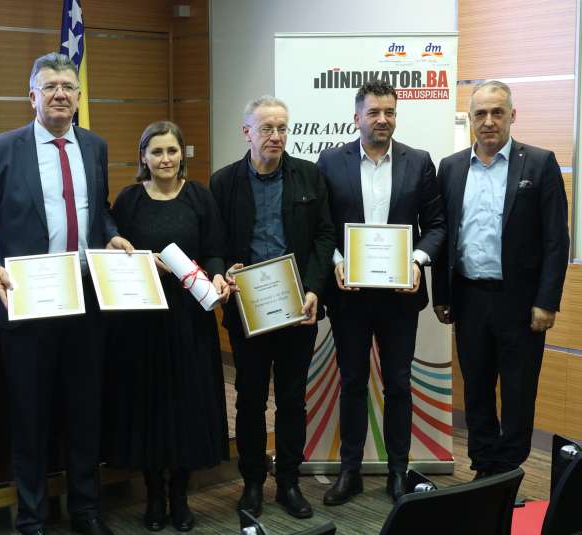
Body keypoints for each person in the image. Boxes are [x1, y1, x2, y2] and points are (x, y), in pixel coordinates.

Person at [0, 52, 132, 535]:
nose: (60, 94)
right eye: (49, 86)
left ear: (78, 97)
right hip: (29, 300)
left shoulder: (94, 146)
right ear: (32, 96)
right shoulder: (2, 148)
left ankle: (86, 510)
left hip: (86, 299)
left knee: (85, 411)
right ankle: (33, 517)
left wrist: (112, 234)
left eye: (68, 87)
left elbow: (99, 210)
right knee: (31, 414)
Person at [316, 80, 446, 505]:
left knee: (399, 385)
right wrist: (337, 260)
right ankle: (349, 473)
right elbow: (322, 225)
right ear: (357, 117)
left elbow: (437, 225)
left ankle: (397, 472)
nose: (382, 119)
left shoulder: (418, 162)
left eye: (389, 112)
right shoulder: (330, 161)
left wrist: (417, 262)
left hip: (399, 297)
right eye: (373, 112)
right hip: (349, 295)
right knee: (352, 382)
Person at [432, 80, 569, 478]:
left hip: (520, 303)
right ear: (471, 118)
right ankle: (483, 466)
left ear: (512, 115)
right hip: (469, 297)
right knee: (476, 388)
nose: (489, 121)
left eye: (497, 112)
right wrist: (442, 295)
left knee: (518, 390)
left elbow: (556, 240)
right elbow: (444, 235)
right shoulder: (451, 167)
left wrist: (547, 301)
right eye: (481, 113)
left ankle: (508, 471)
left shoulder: (539, 163)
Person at [209, 95, 335, 519]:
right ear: (247, 132)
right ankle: (251, 483)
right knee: (249, 399)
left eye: (282, 128)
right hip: (248, 310)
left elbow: (324, 236)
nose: (276, 136)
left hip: (297, 309)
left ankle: (288, 483)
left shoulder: (308, 176)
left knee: (293, 400)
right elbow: (214, 242)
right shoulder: (224, 182)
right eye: (267, 128)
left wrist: (314, 288)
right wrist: (224, 269)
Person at [106, 121, 231, 532]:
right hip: (142, 322)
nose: (165, 159)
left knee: (186, 405)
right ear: (143, 156)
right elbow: (113, 253)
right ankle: (154, 496)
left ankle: (180, 496)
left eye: (172, 151)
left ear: (182, 154)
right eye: (156, 151)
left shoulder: (199, 196)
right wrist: (146, 262)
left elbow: (214, 249)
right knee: (149, 406)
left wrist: (217, 275)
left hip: (189, 320)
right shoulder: (128, 200)